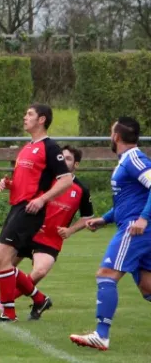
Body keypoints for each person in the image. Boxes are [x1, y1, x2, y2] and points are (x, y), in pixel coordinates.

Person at [0, 145, 94, 312]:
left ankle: (5, 301)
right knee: (4, 263)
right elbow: (23, 188)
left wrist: (70, 230)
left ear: (76, 165)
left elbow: (87, 217)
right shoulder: (46, 178)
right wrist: (8, 184)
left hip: (51, 238)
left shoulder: (81, 190)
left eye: (68, 159)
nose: (63, 161)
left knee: (40, 271)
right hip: (30, 230)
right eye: (62, 157)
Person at [70, 117, 151, 351]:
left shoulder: (134, 159)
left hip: (136, 229)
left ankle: (101, 335)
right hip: (136, 226)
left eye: (110, 131)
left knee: (106, 274)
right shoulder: (126, 161)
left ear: (116, 136)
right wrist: (104, 218)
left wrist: (143, 218)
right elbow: (130, 200)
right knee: (147, 286)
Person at [0, 104, 73, 322]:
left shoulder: (50, 148)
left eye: (30, 114)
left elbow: (66, 180)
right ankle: (38, 299)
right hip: (17, 207)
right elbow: (26, 182)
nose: (25, 117)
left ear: (41, 120)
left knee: (2, 258)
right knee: (2, 260)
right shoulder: (27, 148)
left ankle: (9, 312)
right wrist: (9, 184)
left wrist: (43, 199)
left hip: (30, 210)